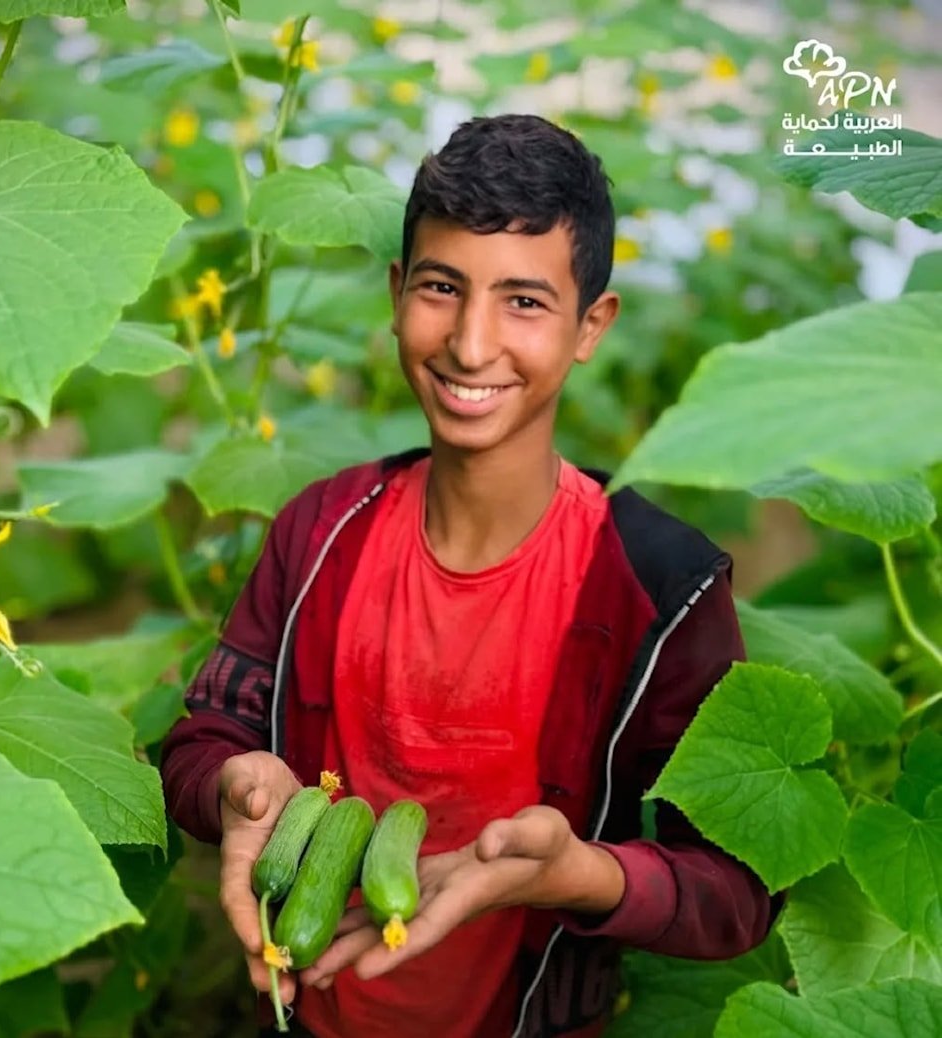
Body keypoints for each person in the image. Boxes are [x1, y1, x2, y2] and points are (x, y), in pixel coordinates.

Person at [160, 113, 777, 1038]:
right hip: (304, 1007)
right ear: (398, 290)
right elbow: (203, 738)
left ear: (589, 327)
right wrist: (234, 783)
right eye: (443, 288)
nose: (471, 344)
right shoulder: (320, 531)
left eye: (524, 301)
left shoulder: (662, 586)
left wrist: (581, 872)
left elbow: (735, 888)